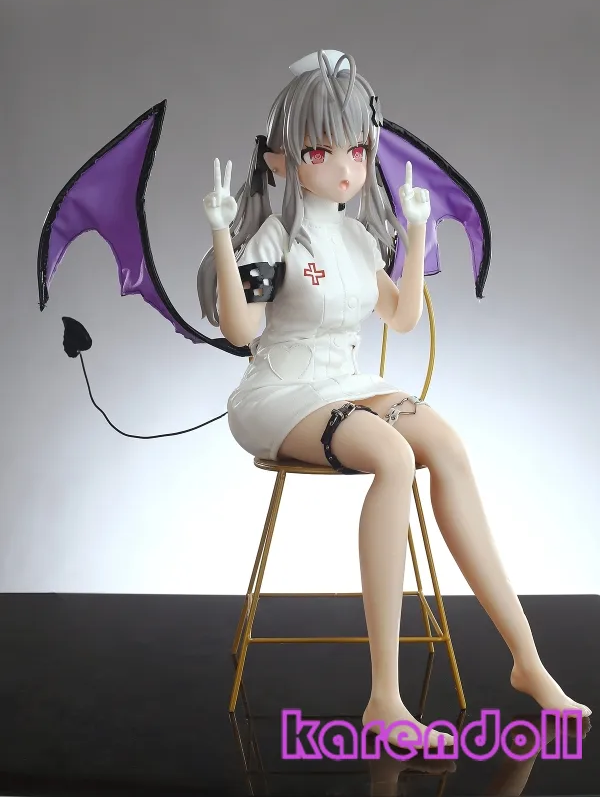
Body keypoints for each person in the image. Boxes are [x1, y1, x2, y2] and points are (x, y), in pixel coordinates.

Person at [197, 50, 591, 747]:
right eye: (320, 150)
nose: (344, 167)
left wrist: (414, 231)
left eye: (356, 149)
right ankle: (386, 699)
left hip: (346, 385)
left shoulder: (354, 237)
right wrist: (224, 237)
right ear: (284, 160)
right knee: (393, 457)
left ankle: (527, 660)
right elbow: (240, 329)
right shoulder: (277, 237)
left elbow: (401, 319)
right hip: (279, 393)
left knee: (448, 447)